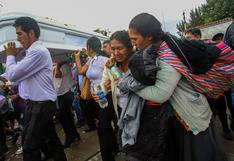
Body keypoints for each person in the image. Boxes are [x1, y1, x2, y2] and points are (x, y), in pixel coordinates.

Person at [122, 13, 227, 161]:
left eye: (135, 39)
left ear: (149, 36)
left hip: (189, 116)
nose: (133, 44)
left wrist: (130, 86)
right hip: (179, 116)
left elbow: (160, 94)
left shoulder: (167, 55)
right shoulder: (158, 49)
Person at [3, 17, 67, 161]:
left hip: (41, 105)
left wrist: (10, 55)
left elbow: (13, 75)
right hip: (37, 104)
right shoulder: (33, 52)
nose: (17, 38)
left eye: (20, 34)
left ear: (31, 33)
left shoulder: (38, 51)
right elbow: (17, 77)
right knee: (50, 140)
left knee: (29, 145)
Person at [93, 30, 133, 161]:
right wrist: (99, 93)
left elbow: (127, 86)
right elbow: (104, 85)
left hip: (139, 112)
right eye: (113, 49)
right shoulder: (110, 64)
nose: (116, 53)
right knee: (129, 149)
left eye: (120, 48)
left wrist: (114, 70)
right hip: (121, 112)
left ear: (129, 46)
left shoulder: (137, 63)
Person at [75, 36, 108, 133]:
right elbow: (81, 71)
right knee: (102, 121)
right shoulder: (91, 60)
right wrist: (77, 57)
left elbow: (115, 75)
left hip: (103, 94)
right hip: (94, 95)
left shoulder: (102, 59)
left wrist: (106, 86)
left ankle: (110, 145)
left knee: (104, 122)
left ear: (89, 47)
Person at [53, 61, 80, 148]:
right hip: (62, 94)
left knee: (63, 118)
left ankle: (70, 138)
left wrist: (57, 65)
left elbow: (57, 75)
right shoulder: (62, 64)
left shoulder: (63, 65)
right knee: (67, 116)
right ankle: (75, 135)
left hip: (66, 93)